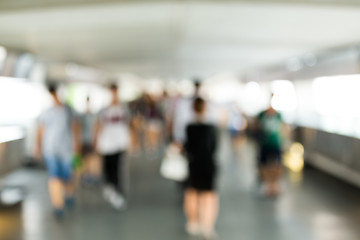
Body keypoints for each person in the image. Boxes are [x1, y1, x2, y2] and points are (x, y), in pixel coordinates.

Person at [35, 83, 80, 219]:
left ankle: (69, 194)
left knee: (68, 175)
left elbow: (75, 128)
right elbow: (40, 130)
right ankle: (58, 205)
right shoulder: (46, 112)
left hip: (67, 149)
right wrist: (37, 147)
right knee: (54, 176)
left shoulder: (68, 110)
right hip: (50, 149)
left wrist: (77, 146)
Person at [183, 97, 218, 239]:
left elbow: (187, 147)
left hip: (193, 165)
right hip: (208, 165)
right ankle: (207, 226)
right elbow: (214, 147)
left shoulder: (189, 128)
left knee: (192, 194)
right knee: (209, 197)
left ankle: (193, 223)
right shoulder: (211, 128)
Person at [94, 83, 131, 210]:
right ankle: (109, 187)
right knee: (108, 167)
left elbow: (129, 125)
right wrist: (97, 142)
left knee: (117, 167)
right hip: (106, 144)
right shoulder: (104, 110)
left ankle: (116, 190)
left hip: (119, 143)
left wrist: (130, 142)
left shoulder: (123, 109)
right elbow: (98, 126)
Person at [255, 93, 285, 196]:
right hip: (264, 143)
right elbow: (256, 126)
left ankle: (274, 185)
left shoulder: (278, 115)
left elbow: (282, 129)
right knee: (263, 164)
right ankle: (266, 184)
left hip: (275, 143)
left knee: (277, 165)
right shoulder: (262, 114)